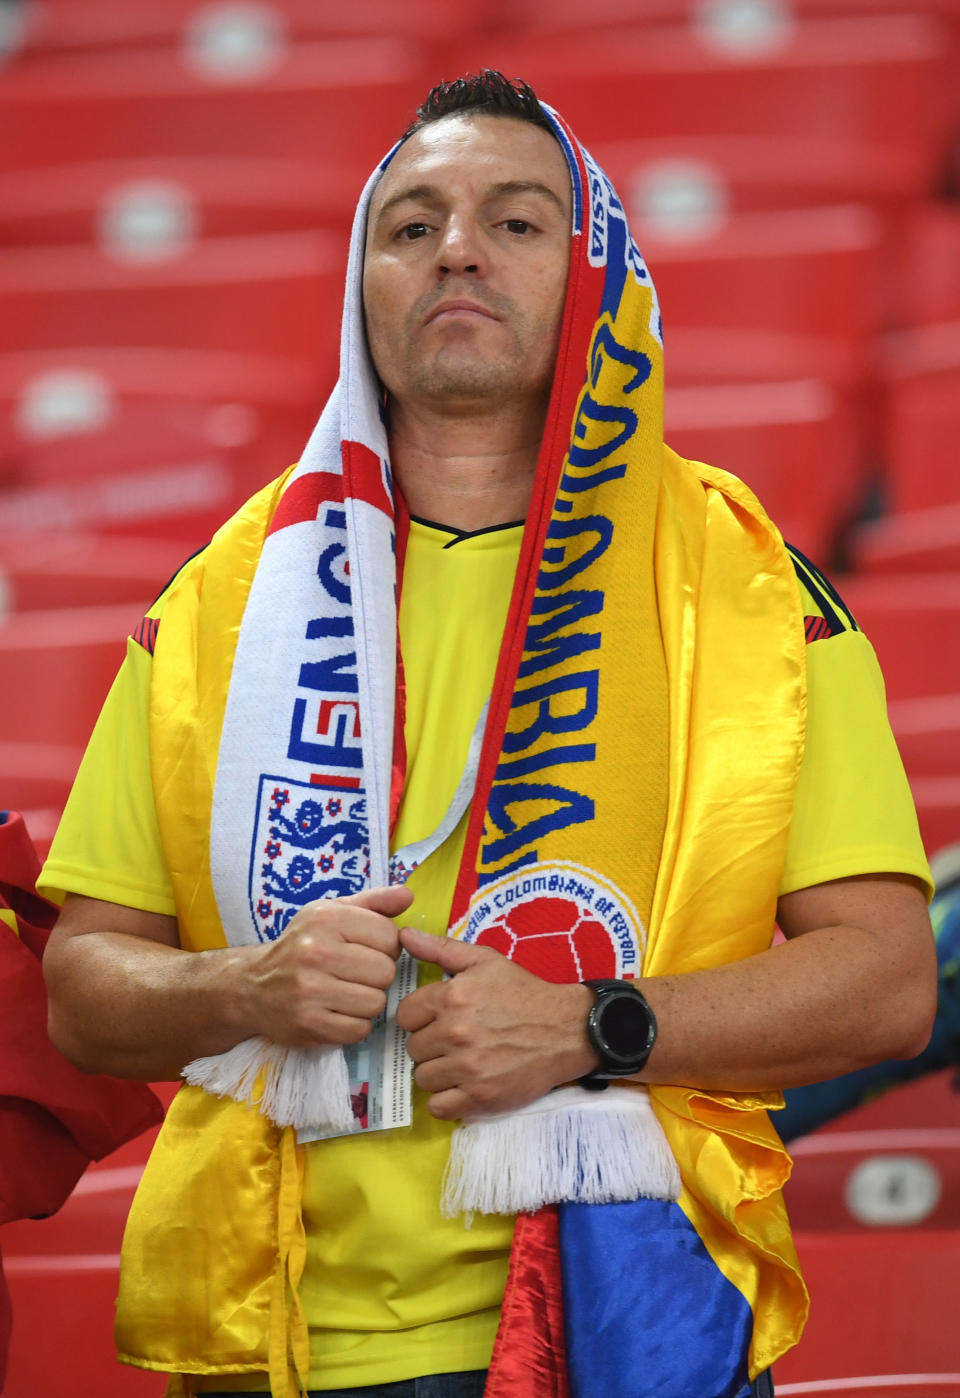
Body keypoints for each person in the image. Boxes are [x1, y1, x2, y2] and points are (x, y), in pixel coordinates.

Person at [40, 72, 937, 1398]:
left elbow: (888, 979)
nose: (456, 246)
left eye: (514, 221)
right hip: (270, 1341)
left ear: (594, 273)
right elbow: (82, 982)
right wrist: (245, 988)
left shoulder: (744, 581)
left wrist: (596, 1025)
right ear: (361, 289)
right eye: (410, 226)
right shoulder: (218, 599)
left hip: (629, 1324)